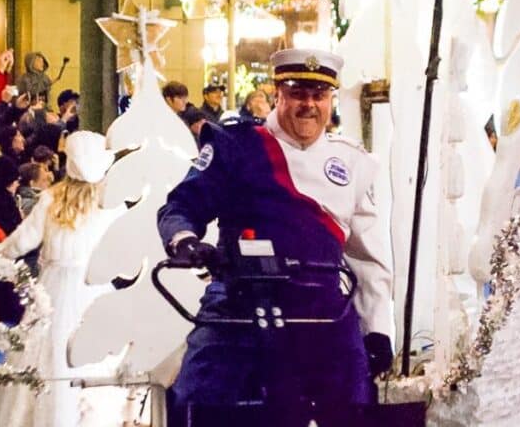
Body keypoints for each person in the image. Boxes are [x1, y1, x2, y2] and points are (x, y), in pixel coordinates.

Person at [158, 49, 393, 423]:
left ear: (331, 99)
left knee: (355, 401)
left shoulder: (352, 162)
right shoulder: (237, 145)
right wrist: (186, 241)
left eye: (319, 95)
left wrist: (378, 329)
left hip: (321, 307)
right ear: (278, 92)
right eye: (298, 93)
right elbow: (183, 204)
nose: (309, 105)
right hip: (240, 299)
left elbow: (368, 258)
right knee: (198, 393)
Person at [0, 131, 125, 427]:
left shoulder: (51, 198)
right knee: (97, 360)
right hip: (95, 288)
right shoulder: (111, 203)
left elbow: (22, 241)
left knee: (44, 356)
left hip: (50, 291)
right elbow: (123, 254)